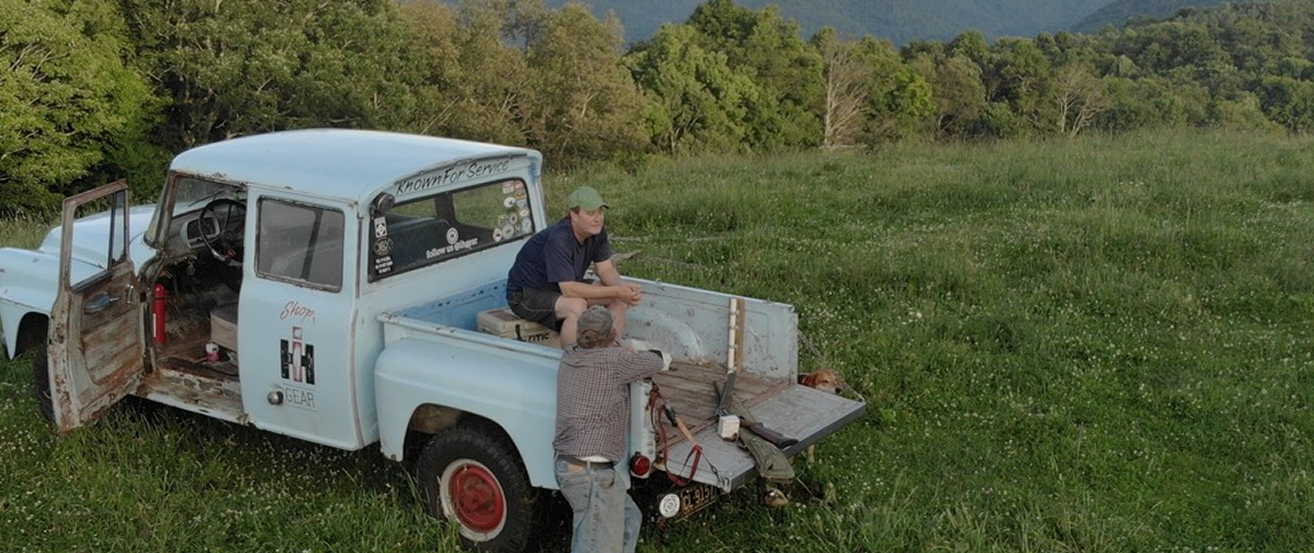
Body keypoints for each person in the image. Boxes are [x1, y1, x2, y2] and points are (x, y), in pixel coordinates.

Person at [554, 306, 670, 553]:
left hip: (568, 466)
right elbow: (658, 361)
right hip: (592, 475)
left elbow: (604, 355)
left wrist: (618, 349)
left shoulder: (569, 355)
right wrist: (626, 350)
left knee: (630, 518)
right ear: (611, 336)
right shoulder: (615, 360)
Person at [506, 185, 642, 346]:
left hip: (558, 286)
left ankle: (613, 350)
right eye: (590, 213)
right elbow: (569, 289)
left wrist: (623, 290)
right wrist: (617, 290)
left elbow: (605, 269)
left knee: (618, 298)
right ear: (574, 215)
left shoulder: (596, 232)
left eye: (600, 212)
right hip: (526, 295)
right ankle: (573, 360)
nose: (597, 218)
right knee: (576, 305)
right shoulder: (559, 239)